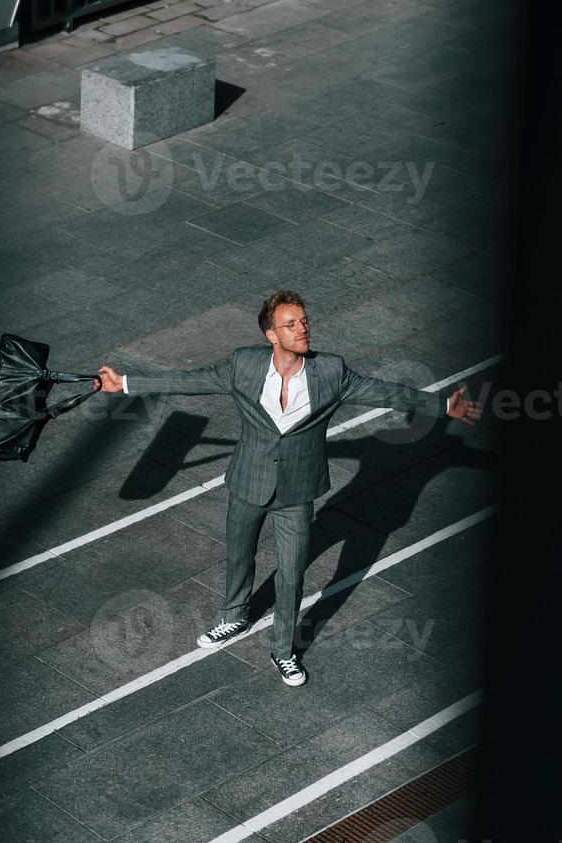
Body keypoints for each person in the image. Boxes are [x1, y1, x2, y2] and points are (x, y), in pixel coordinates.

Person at [95, 290, 481, 687]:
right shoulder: (243, 366)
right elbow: (188, 382)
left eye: (303, 321)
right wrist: (123, 382)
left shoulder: (331, 372)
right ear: (271, 335)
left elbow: (384, 391)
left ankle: (284, 651)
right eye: (290, 324)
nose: (302, 329)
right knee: (239, 557)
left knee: (292, 574)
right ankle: (233, 617)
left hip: (297, 492)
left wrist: (441, 405)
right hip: (248, 481)